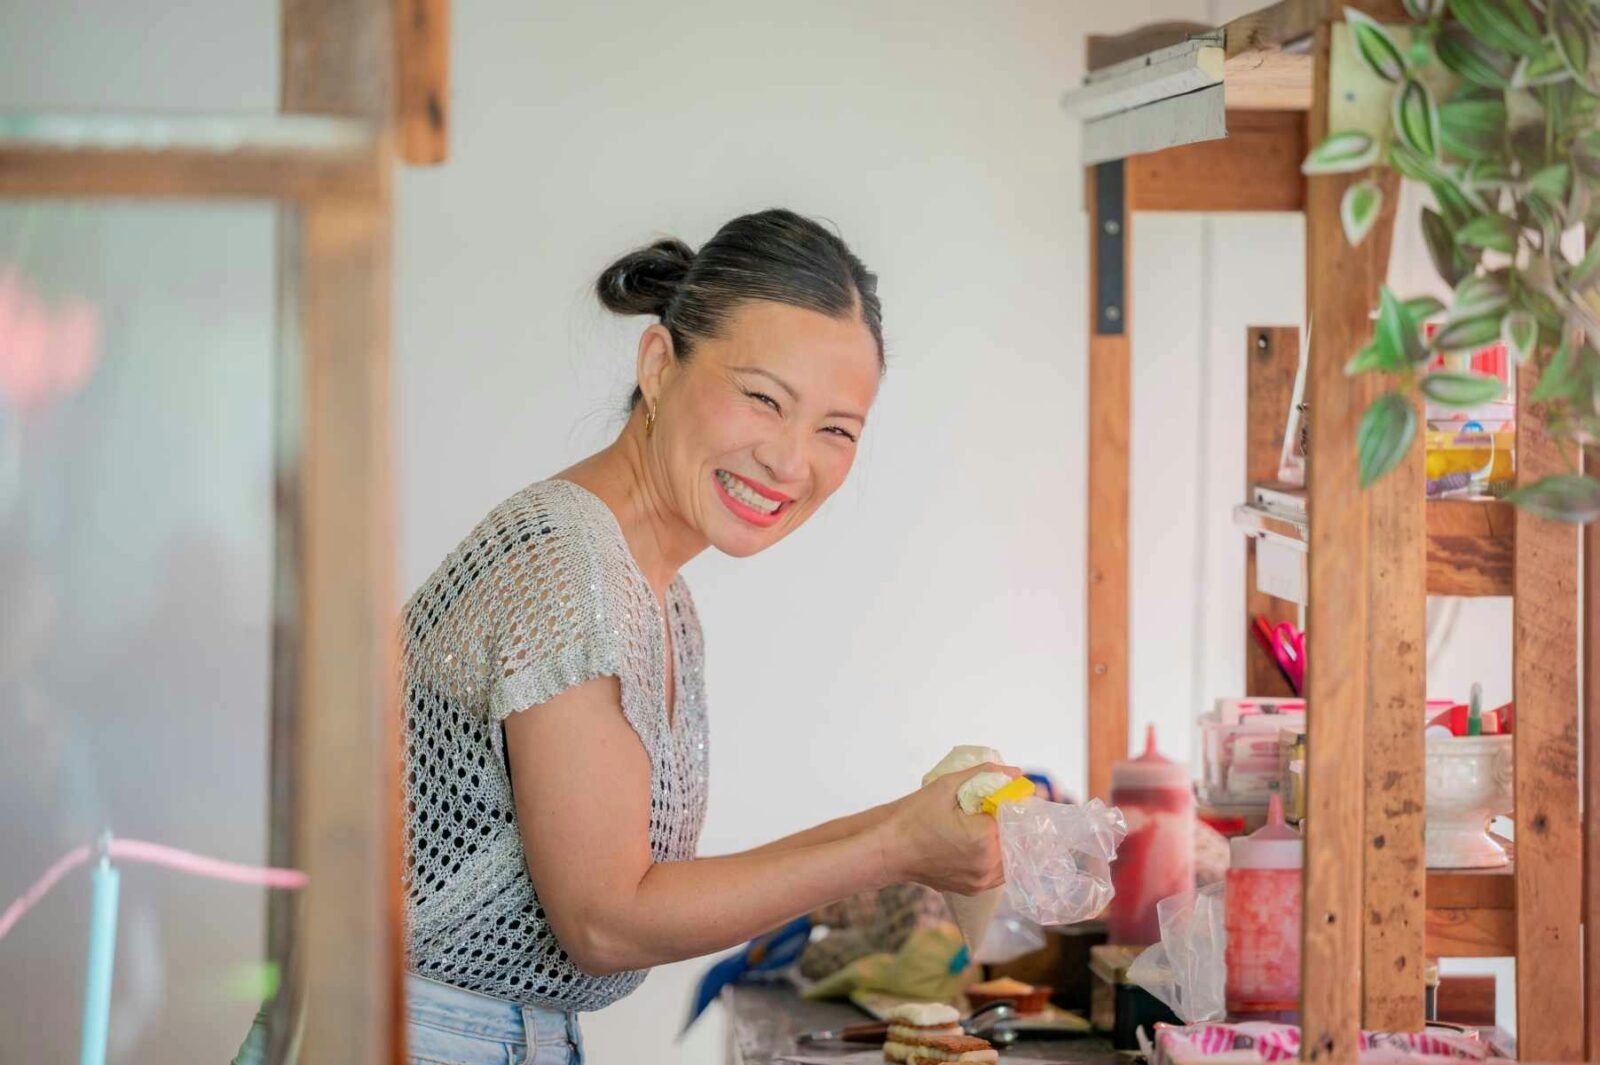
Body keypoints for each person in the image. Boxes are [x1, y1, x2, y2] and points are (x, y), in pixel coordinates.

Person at [233, 208, 1012, 1065]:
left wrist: (909, 827)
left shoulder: (656, 596)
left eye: (836, 429)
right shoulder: (568, 571)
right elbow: (606, 918)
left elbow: (640, 890)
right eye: (763, 398)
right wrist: (897, 846)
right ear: (657, 365)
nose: (792, 462)